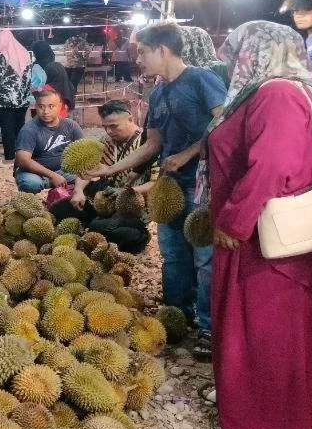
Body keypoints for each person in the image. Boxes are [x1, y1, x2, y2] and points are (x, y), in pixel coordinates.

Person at [207, 20, 312, 429]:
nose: (230, 61)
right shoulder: (280, 92)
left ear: (255, 52)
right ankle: (247, 400)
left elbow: (275, 164)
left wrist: (235, 218)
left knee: (272, 334)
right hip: (260, 235)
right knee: (255, 328)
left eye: (235, 51)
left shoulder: (277, 93)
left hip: (268, 238)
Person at [84, 23, 225, 360]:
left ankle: (209, 327)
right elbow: (153, 144)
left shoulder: (202, 80)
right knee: (174, 253)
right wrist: (113, 170)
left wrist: (190, 152)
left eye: (143, 53)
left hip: (205, 183)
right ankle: (178, 315)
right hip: (170, 185)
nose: (140, 60)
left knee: (205, 258)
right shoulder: (158, 94)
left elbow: (224, 126)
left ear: (162, 50)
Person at [56, 99, 152, 253]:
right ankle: (92, 228)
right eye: (105, 127)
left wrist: (128, 192)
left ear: (130, 119)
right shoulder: (105, 142)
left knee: (99, 228)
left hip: (131, 209)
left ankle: (141, 236)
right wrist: (78, 190)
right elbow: (87, 170)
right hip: (104, 200)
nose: (109, 131)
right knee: (60, 209)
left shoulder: (147, 145)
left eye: (113, 126)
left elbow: (156, 183)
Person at [14, 89, 84, 192]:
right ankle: (51, 184)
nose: (46, 111)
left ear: (60, 106)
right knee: (31, 183)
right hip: (35, 173)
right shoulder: (29, 129)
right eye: (41, 107)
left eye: (51, 106)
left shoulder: (71, 126)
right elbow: (22, 160)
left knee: (89, 175)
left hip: (63, 171)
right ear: (36, 107)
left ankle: (65, 194)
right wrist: (52, 175)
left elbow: (84, 150)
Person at [0, 29, 33, 164]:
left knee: (7, 128)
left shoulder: (3, 56)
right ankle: (22, 157)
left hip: (6, 99)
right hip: (23, 99)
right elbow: (28, 78)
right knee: (19, 127)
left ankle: (9, 158)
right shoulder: (25, 53)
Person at [31, 40, 76, 110]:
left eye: (35, 53)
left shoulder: (47, 68)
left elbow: (38, 90)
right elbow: (70, 87)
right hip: (62, 105)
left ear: (38, 53)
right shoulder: (57, 65)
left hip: (49, 109)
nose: (34, 55)